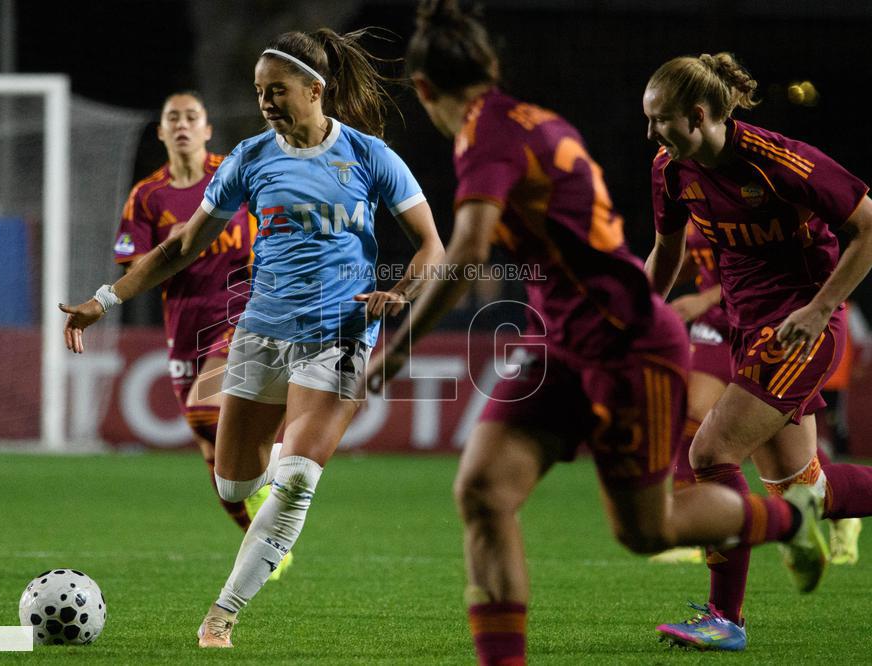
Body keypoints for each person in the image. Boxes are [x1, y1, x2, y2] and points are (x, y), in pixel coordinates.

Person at [369, 3, 829, 664]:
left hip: (627, 347)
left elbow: (467, 245)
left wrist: (398, 350)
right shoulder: (531, 122)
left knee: (649, 530)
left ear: (424, 90)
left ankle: (788, 519)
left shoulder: (485, 135)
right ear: (489, 68)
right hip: (565, 345)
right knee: (482, 490)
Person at [62, 27, 445, 649]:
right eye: (259, 91)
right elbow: (184, 245)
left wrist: (399, 294)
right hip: (262, 332)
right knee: (234, 483)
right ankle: (275, 479)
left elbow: (433, 246)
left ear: (315, 89)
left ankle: (223, 613)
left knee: (295, 480)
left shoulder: (371, 155)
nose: (266, 101)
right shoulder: (250, 158)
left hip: (342, 334)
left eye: (278, 90)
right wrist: (104, 301)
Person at [643, 52, 872, 650]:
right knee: (806, 494)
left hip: (801, 328)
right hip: (747, 329)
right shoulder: (671, 169)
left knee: (709, 452)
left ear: (698, 115)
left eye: (661, 119)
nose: (652, 134)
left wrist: (821, 307)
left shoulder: (779, 160)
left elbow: (869, 227)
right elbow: (666, 254)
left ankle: (726, 619)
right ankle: (786, 538)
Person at [113, 91, 288, 570]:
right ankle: (264, 542)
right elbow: (133, 265)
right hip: (184, 325)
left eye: (193, 116)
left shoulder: (232, 173)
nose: (184, 124)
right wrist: (171, 246)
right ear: (162, 132)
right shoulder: (148, 196)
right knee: (212, 450)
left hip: (243, 313)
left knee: (200, 413)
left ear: (207, 129)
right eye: (174, 118)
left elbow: (275, 219)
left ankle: (290, 459)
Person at [651, 222, 862, 567]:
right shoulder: (686, 189)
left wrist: (702, 299)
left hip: (762, 323)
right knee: (699, 421)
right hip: (717, 326)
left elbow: (759, 267)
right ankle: (707, 545)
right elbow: (690, 257)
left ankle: (822, 511)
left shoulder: (744, 195)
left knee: (772, 455)